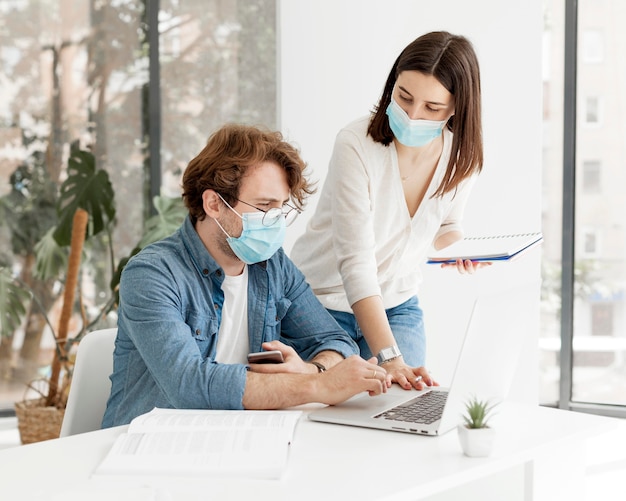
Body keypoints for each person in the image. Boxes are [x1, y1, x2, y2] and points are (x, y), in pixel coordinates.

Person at [102, 124, 400, 428]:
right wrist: (318, 387)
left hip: (237, 437)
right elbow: (188, 385)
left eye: (280, 208)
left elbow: (334, 340)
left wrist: (313, 371)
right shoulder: (152, 274)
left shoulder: (273, 266)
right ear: (214, 203)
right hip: (149, 446)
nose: (275, 221)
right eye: (263, 206)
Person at [290, 31, 487, 391]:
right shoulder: (356, 144)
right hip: (321, 301)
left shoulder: (463, 159)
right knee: (324, 405)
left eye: (432, 108)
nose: (412, 115)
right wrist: (389, 356)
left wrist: (461, 249)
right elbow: (356, 263)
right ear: (391, 86)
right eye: (404, 97)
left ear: (458, 107)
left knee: (400, 404)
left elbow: (446, 224)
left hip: (397, 304)